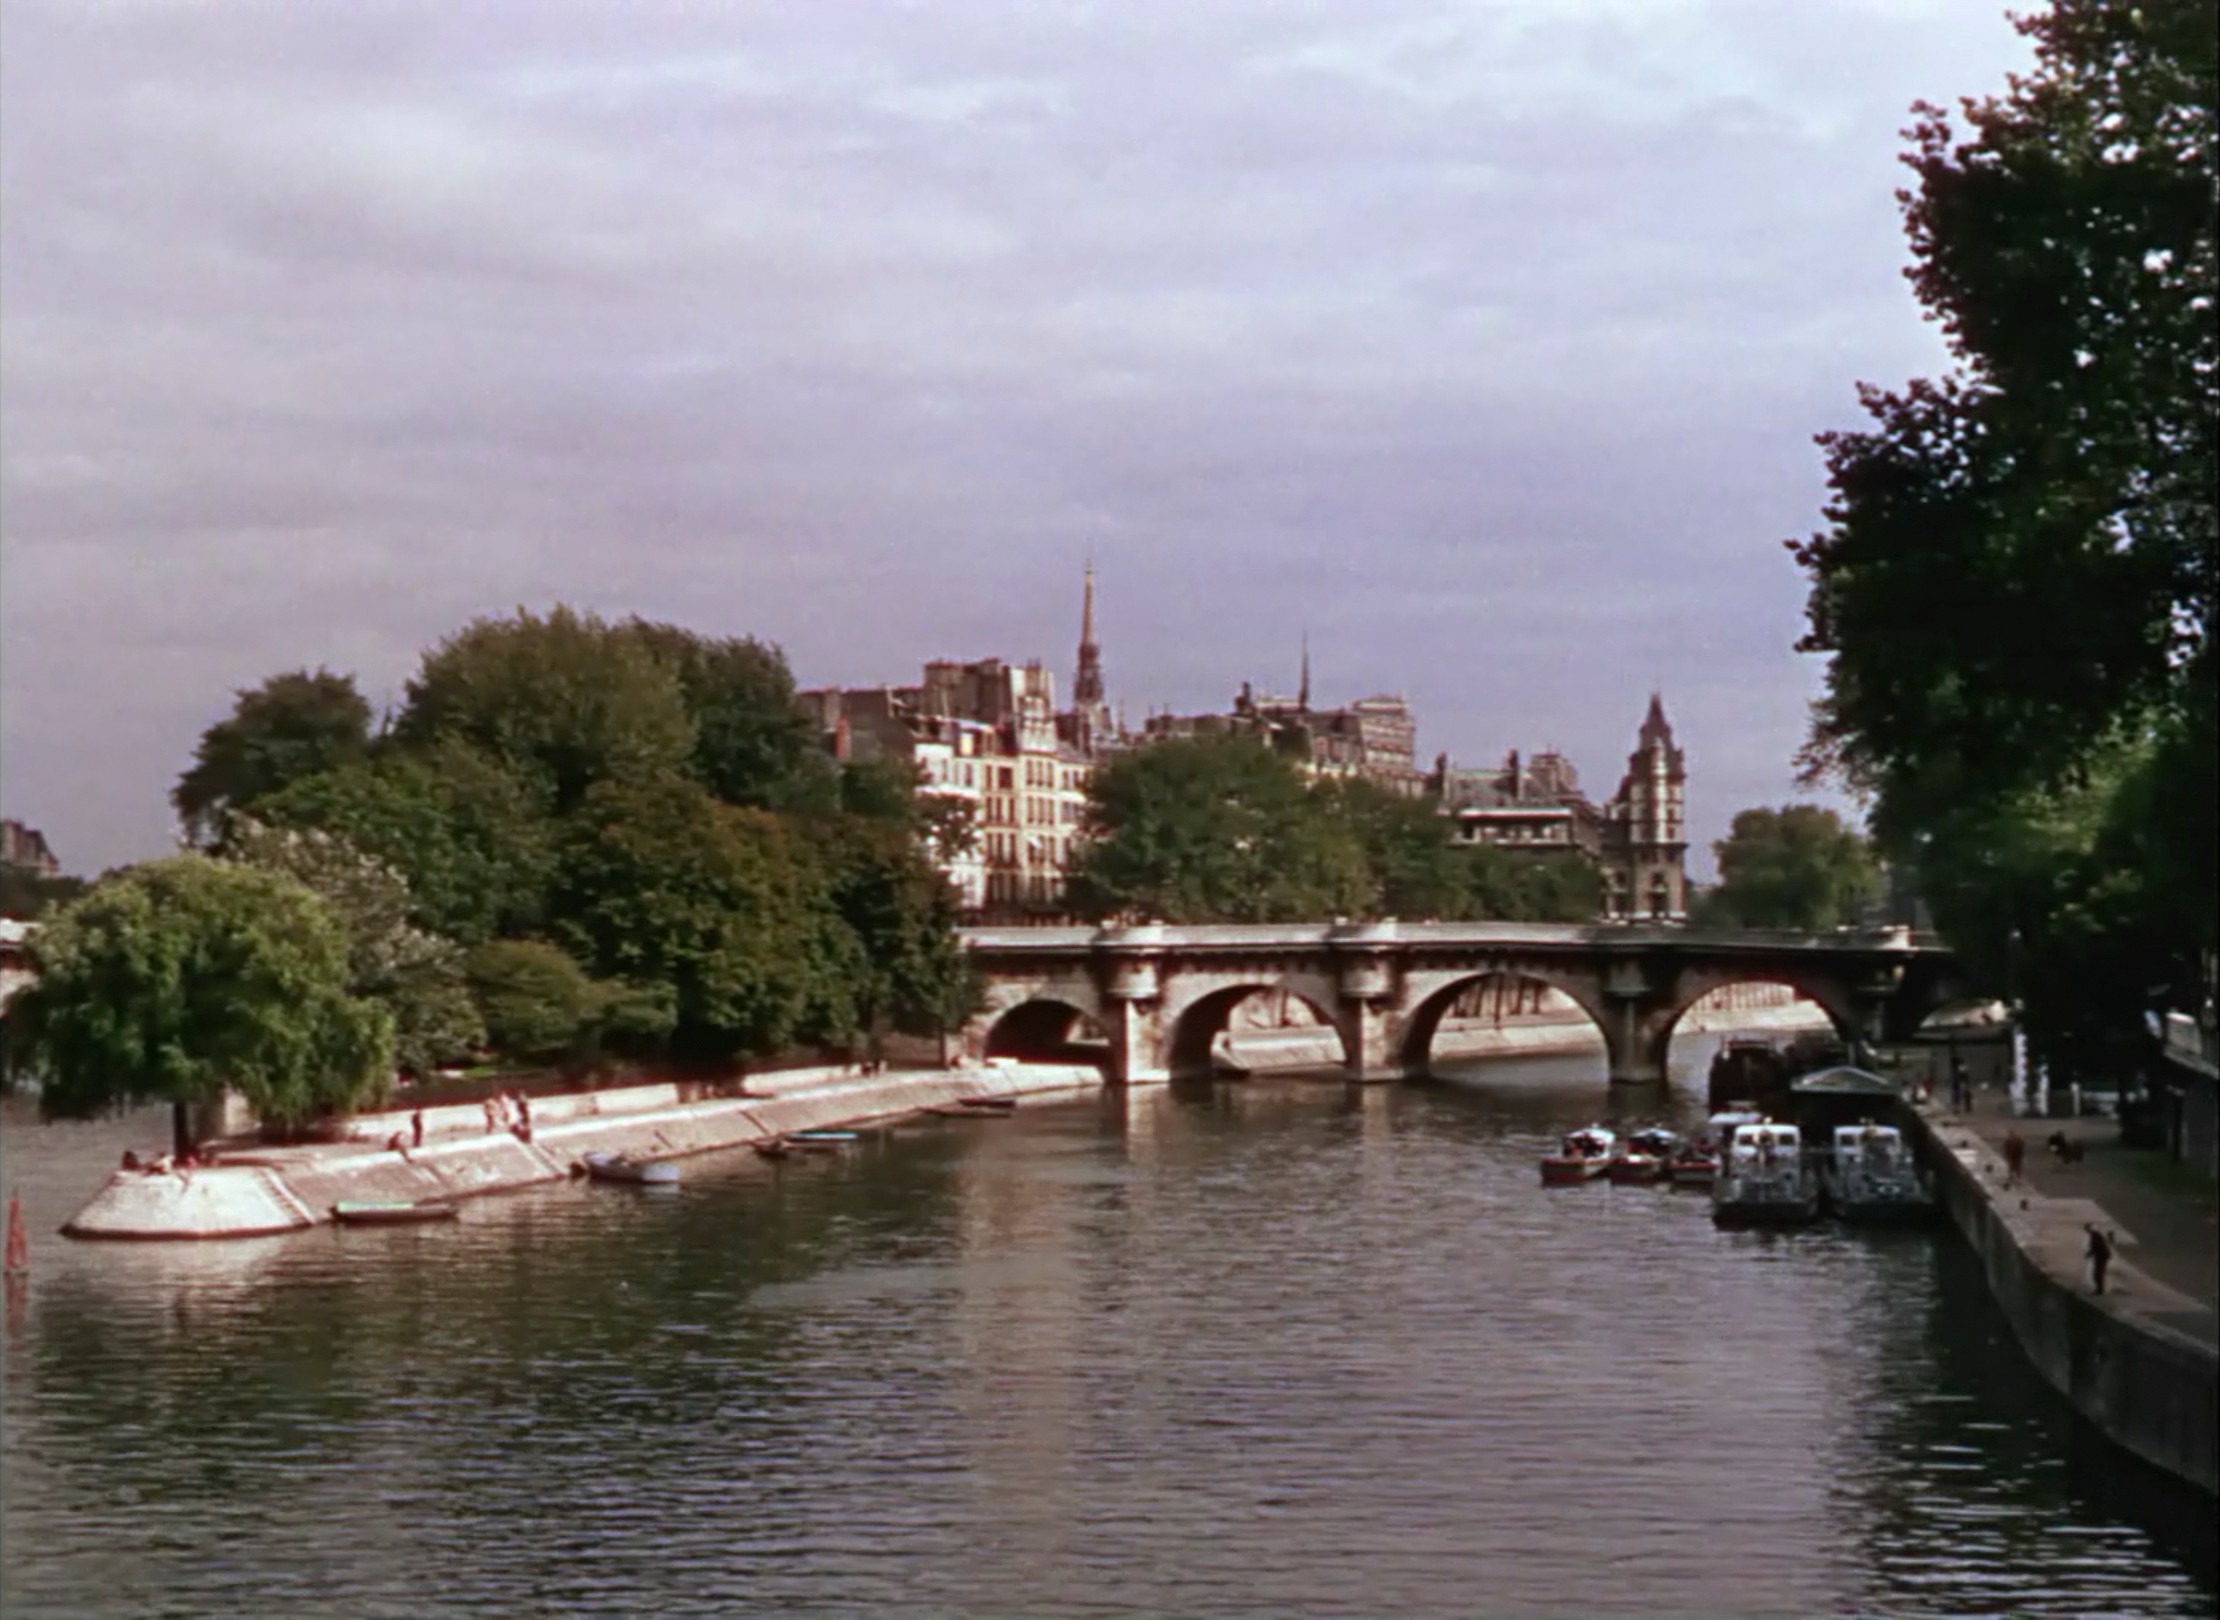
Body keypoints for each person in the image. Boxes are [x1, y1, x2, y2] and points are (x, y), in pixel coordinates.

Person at [2085, 1224, 2114, 1295]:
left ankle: (2100, 1290)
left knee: (2098, 1274)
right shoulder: (2095, 1235)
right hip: (2101, 1256)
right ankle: (2099, 1289)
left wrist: (2089, 1254)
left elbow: (2096, 1247)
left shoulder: (2094, 1236)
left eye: (2087, 1229)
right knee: (2098, 1273)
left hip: (2102, 1256)